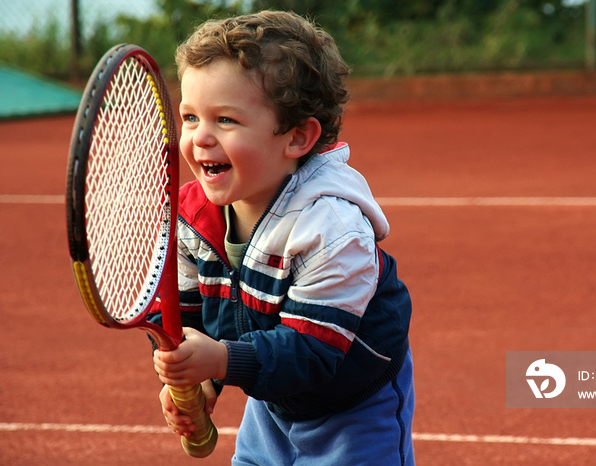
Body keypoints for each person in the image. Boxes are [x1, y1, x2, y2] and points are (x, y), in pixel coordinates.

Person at [150, 10, 414, 465]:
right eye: (190, 117)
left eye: (226, 120)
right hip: (271, 400)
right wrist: (198, 378)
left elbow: (312, 351)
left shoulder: (332, 230)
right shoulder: (192, 217)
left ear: (297, 138)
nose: (200, 138)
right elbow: (187, 316)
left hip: (353, 404)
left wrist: (219, 360)